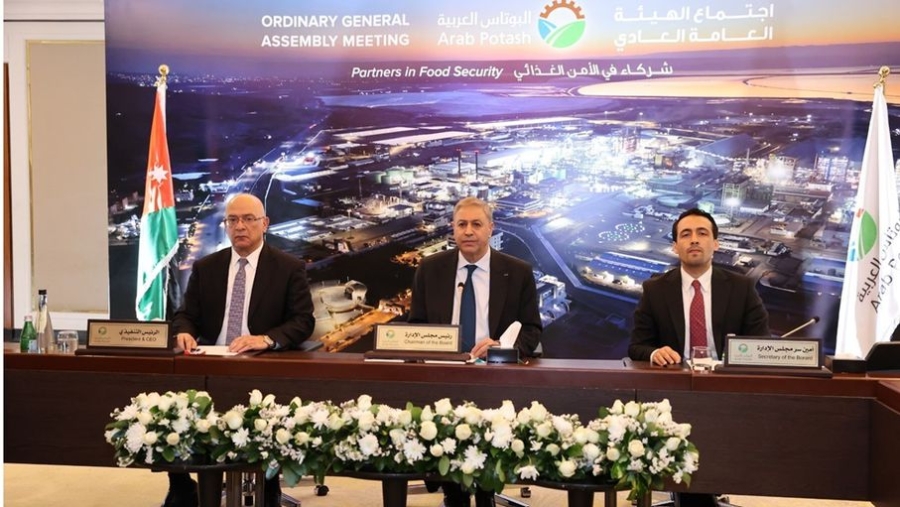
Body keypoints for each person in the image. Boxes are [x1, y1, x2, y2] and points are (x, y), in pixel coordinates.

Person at [165, 193, 316, 507]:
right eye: (232, 220)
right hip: (211, 361)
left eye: (248, 219)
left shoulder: (288, 267)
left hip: (262, 365)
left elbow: (303, 321)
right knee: (172, 403)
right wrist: (184, 332)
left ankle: (268, 487)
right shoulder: (207, 267)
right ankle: (183, 486)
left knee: (268, 409)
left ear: (265, 223)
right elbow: (186, 315)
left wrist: (266, 339)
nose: (240, 226)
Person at [628, 208, 769, 507]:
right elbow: (637, 346)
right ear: (675, 246)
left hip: (727, 392)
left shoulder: (741, 287)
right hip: (674, 395)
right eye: (686, 234)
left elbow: (761, 344)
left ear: (715, 243)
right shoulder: (655, 289)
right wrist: (654, 352)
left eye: (702, 233)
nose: (694, 240)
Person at [409, 196, 542, 507]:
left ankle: (486, 495)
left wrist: (503, 348)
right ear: (453, 229)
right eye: (462, 224)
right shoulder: (430, 269)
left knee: (487, 450)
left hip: (495, 376)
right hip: (444, 375)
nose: (468, 231)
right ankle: (452, 495)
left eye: (476, 224)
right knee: (448, 446)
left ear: (490, 228)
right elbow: (416, 324)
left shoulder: (517, 272)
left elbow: (532, 330)